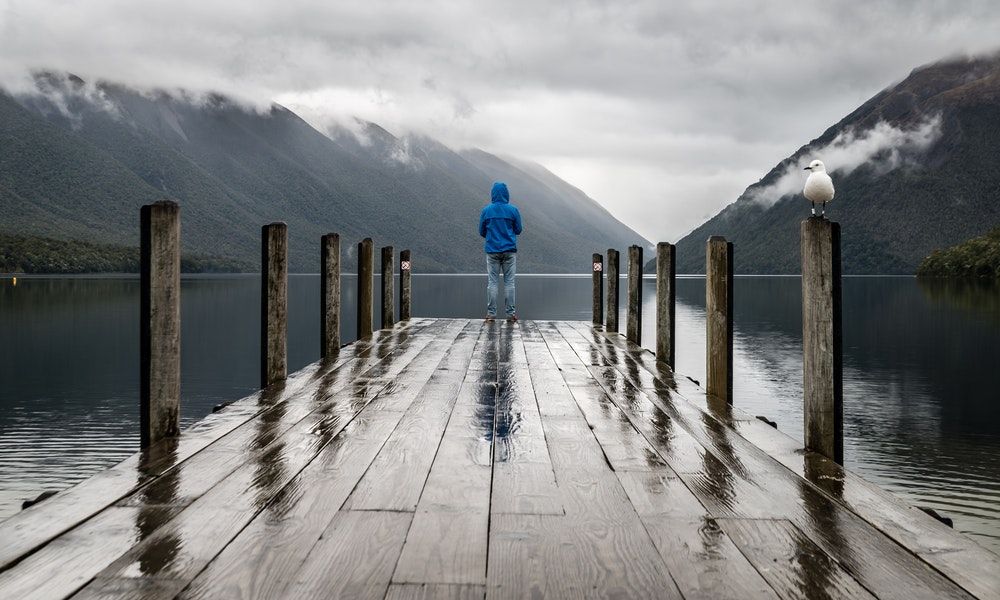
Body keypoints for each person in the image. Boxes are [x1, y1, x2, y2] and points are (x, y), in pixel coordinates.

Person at [479, 181, 522, 321]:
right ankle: (510, 314)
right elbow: (518, 230)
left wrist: (492, 236)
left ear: (493, 194)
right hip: (509, 251)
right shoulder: (513, 210)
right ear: (506, 194)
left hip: (492, 251)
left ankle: (491, 314)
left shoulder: (486, 211)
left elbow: (481, 231)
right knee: (510, 283)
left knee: (492, 283)